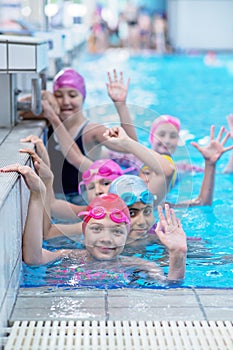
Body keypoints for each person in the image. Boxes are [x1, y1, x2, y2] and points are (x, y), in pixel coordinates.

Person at [0, 164, 186, 283]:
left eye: (117, 232)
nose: (106, 239)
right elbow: (33, 258)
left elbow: (170, 292)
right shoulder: (69, 255)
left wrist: (178, 255)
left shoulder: (141, 266)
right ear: (84, 231)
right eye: (97, 229)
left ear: (126, 235)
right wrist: (37, 194)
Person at [44, 68, 137, 204]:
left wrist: (121, 106)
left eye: (72, 95)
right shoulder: (47, 124)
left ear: (83, 97)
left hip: (84, 201)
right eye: (58, 95)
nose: (65, 101)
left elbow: (131, 145)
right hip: (55, 200)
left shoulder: (92, 131)